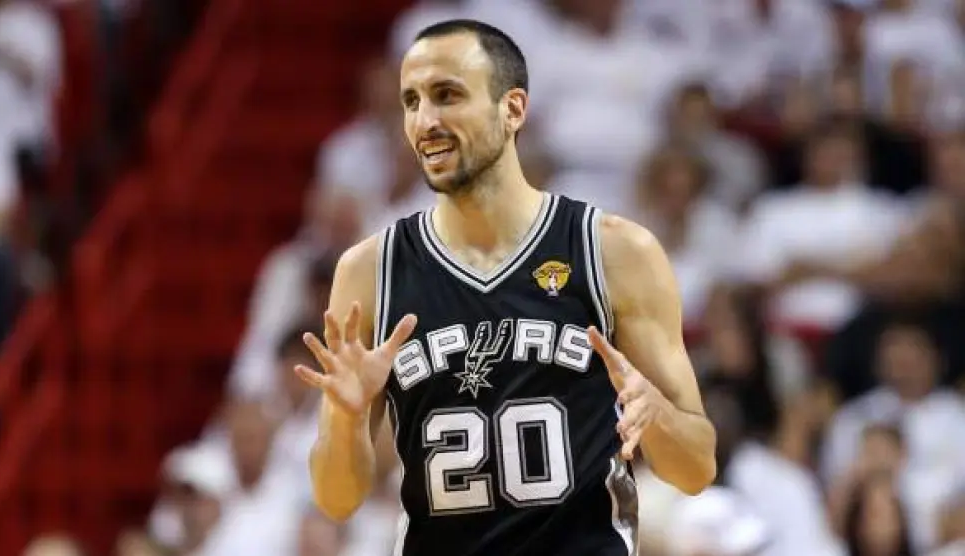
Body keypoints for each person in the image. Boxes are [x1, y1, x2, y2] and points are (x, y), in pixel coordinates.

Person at [295, 19, 717, 556]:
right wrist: (347, 418)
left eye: (448, 95)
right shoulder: (369, 270)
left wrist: (654, 413)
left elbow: (696, 469)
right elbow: (336, 500)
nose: (425, 120)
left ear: (512, 109)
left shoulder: (613, 252)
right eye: (411, 101)